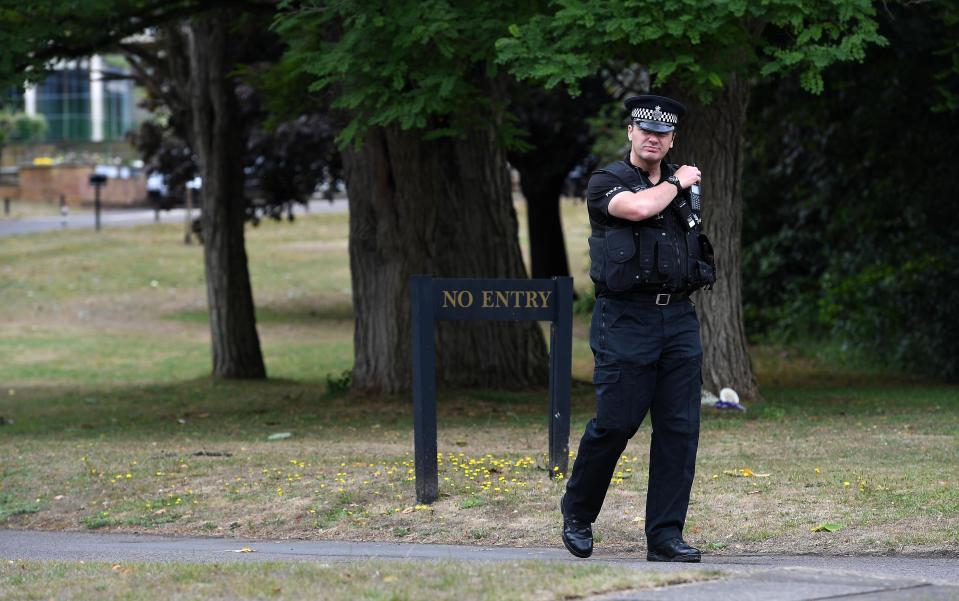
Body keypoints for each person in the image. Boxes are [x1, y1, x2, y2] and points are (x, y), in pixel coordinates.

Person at [560, 94, 716, 562]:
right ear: (630, 131)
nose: (653, 138)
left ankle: (665, 537)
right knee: (615, 423)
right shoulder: (608, 181)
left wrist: (678, 185)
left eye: (663, 133)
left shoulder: (679, 187)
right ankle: (578, 512)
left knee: (679, 428)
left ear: (672, 139)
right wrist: (678, 180)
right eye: (645, 130)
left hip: (678, 318)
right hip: (626, 319)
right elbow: (637, 209)